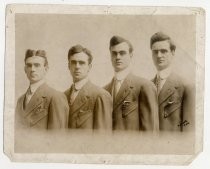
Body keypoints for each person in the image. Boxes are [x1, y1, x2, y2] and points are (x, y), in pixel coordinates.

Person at [104, 35, 158, 131]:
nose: (118, 57)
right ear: (110, 55)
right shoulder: (104, 91)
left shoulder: (145, 86)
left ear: (131, 55)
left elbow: (150, 132)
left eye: (122, 53)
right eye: (114, 53)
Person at [150, 32, 194, 132]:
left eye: (163, 51)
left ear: (173, 52)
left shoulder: (186, 87)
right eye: (155, 52)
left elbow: (188, 129)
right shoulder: (147, 86)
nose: (159, 55)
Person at [15, 49, 69, 129]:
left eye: (37, 65)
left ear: (46, 69)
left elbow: (57, 138)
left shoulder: (56, 97)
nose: (32, 69)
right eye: (29, 65)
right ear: (25, 69)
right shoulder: (20, 100)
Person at [64, 44, 112, 130]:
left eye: (82, 63)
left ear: (89, 67)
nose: (77, 66)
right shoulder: (63, 96)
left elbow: (103, 138)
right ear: (68, 66)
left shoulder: (100, 95)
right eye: (74, 62)